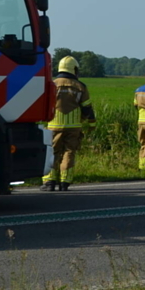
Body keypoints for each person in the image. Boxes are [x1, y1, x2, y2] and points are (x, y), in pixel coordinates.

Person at [41, 55, 96, 191]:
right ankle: (65, 182)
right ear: (74, 69)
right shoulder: (80, 86)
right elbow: (87, 108)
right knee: (69, 152)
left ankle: (49, 182)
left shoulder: (52, 84)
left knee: (53, 152)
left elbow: (44, 104)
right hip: (73, 126)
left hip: (53, 125)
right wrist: (91, 123)